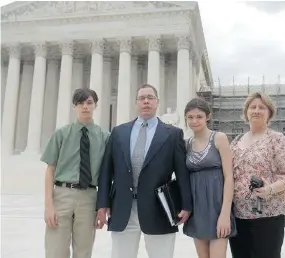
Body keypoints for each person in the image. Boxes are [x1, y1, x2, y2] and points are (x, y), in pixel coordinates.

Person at [96, 83, 192, 258]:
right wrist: (102, 203)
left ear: (157, 102)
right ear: (136, 103)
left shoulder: (172, 134)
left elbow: (182, 173)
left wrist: (186, 205)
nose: (146, 101)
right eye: (142, 98)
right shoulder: (118, 133)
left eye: (150, 98)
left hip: (159, 208)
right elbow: (106, 170)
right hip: (123, 208)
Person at [41, 88, 110, 258]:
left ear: (95, 105)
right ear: (74, 106)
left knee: (84, 251)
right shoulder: (61, 134)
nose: (85, 107)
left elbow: (107, 175)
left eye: (89, 103)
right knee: (55, 251)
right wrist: (49, 205)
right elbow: (50, 170)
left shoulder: (105, 137)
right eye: (80, 103)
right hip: (62, 195)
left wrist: (102, 206)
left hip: (89, 197)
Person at [228, 92, 285, 258]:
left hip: (269, 214)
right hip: (238, 214)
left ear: (269, 113)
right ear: (246, 112)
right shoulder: (236, 141)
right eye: (253, 107)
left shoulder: (276, 139)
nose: (256, 110)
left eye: (262, 107)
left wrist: (270, 189)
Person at [183, 97, 237, 258]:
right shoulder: (186, 144)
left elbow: (229, 177)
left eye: (199, 116)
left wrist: (225, 214)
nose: (194, 121)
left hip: (218, 208)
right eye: (190, 117)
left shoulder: (219, 138)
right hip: (197, 210)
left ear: (208, 116)